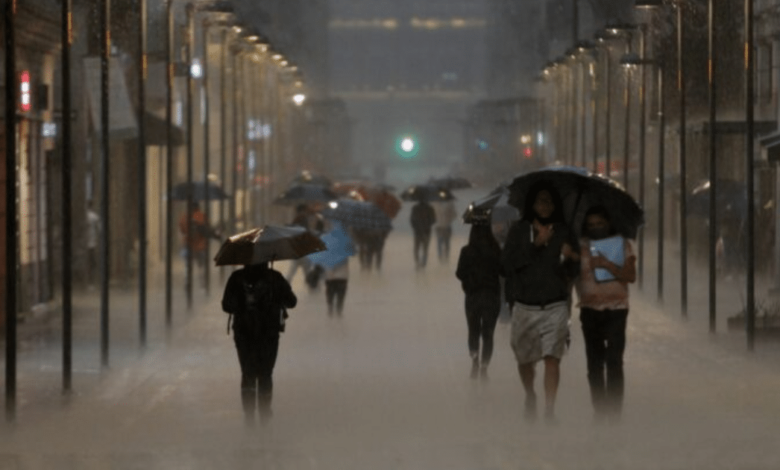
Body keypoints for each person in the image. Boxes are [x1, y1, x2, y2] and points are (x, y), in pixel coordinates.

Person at [501, 181, 579, 424]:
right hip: (524, 306)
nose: (545, 206)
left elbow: (575, 270)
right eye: (540, 201)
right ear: (531, 204)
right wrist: (535, 245)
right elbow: (506, 266)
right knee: (524, 359)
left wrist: (571, 257)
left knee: (552, 358)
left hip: (555, 305)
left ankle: (549, 410)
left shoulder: (565, 231)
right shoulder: (518, 231)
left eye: (549, 201)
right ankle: (530, 395)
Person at [574, 206, 636, 424]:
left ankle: (614, 413)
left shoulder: (622, 244)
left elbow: (630, 276)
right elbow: (570, 277)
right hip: (589, 310)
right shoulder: (579, 248)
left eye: (600, 223)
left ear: (609, 223)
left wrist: (607, 264)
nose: (596, 228)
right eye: (591, 225)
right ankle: (600, 410)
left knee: (614, 361)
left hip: (617, 309)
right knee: (594, 363)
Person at [221, 262, 297, 426]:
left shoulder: (236, 278)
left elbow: (226, 305)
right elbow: (292, 302)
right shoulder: (275, 278)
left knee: (247, 372)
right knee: (265, 373)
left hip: (243, 333)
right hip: (269, 333)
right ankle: (264, 412)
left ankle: (249, 415)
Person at [456, 224, 502, 380]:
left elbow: (459, 273)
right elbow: (504, 270)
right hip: (492, 296)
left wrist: (470, 280)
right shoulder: (495, 250)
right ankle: (484, 367)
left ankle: (475, 359)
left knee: (473, 330)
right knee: (488, 333)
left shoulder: (466, 251)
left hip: (472, 296)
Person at [179, 201, 219, 268]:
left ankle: (187, 274)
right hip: (200, 244)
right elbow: (207, 228)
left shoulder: (184, 216)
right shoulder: (201, 215)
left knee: (187, 261)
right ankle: (201, 273)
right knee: (201, 263)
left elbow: (181, 230)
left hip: (188, 243)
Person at [410, 200, 436, 269]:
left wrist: (415, 226)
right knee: (425, 249)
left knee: (417, 249)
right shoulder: (430, 208)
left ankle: (418, 263)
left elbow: (412, 220)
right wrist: (427, 224)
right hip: (426, 231)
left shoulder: (415, 208)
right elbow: (433, 220)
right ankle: (423, 264)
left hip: (418, 232)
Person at [85, 201, 101, 288]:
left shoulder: (87, 216)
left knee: (89, 262)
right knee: (92, 262)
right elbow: (99, 228)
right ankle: (91, 282)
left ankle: (89, 282)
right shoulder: (94, 216)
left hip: (87, 242)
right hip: (92, 242)